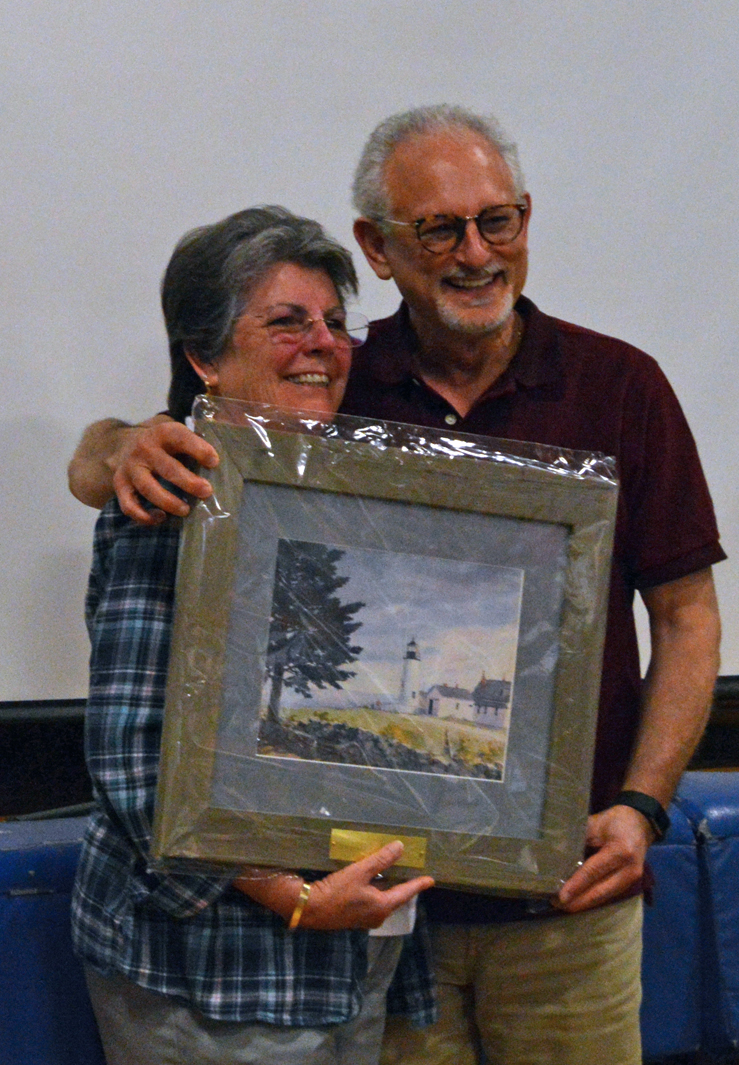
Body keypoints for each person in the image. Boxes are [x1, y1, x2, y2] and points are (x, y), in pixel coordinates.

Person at [69, 107, 724, 1065]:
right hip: (382, 926)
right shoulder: (332, 388)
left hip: (560, 901)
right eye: (440, 228)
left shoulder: (620, 386)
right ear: (379, 245)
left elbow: (688, 617)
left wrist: (645, 805)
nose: (476, 252)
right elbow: (158, 459)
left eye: (498, 220)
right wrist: (114, 446)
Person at [71, 204, 435, 1065]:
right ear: (204, 356)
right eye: (286, 321)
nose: (323, 342)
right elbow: (134, 753)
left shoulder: (365, 492)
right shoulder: (171, 494)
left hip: (359, 948)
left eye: (335, 323)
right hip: (211, 966)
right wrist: (293, 897)